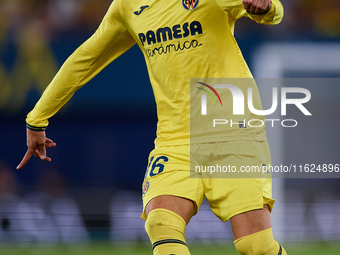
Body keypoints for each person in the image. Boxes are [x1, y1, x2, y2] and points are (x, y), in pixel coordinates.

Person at [18, 0, 286, 254]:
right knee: (160, 222)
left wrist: (266, 7)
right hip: (174, 138)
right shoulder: (128, 6)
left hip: (232, 130)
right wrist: (37, 117)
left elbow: (272, 12)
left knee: (256, 246)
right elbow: (85, 59)